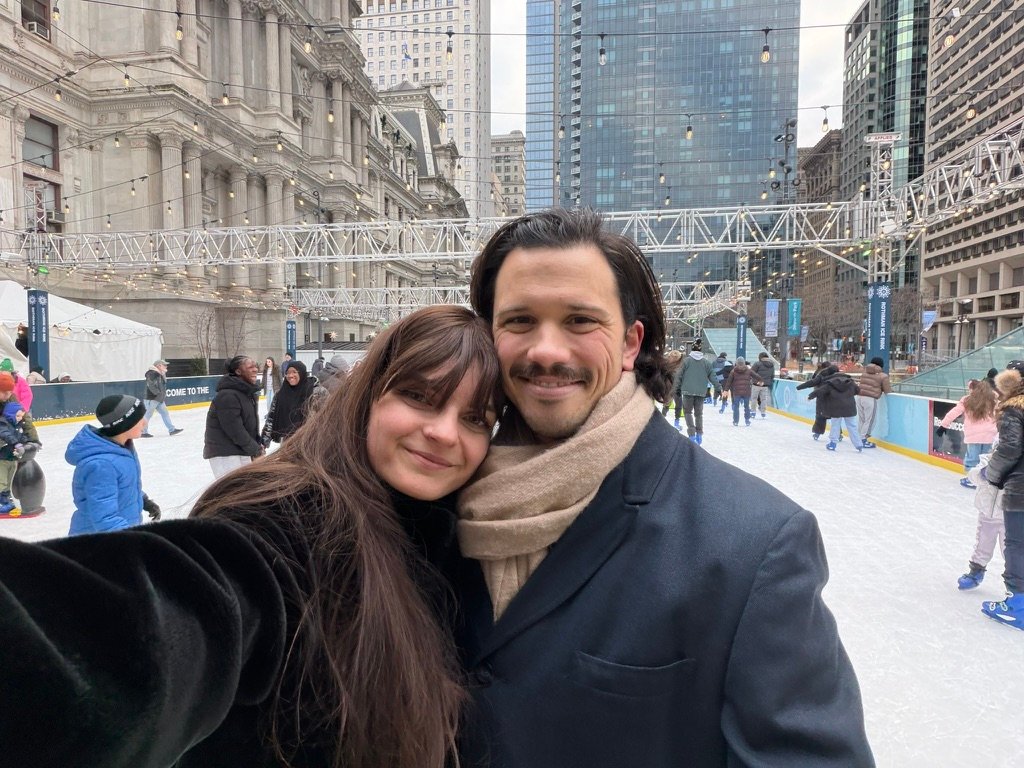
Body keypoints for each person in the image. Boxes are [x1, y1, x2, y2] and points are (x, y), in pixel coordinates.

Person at [456, 208, 872, 766]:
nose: (547, 351)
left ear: (631, 343)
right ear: (489, 336)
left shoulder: (755, 544)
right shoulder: (431, 506)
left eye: (580, 321)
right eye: (519, 321)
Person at [0, 305, 503, 766]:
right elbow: (163, 619)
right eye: (418, 396)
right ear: (369, 396)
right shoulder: (291, 524)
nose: (443, 431)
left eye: (475, 418)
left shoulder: (459, 541)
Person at [65, 394, 161, 534]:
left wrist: (143, 499)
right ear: (124, 424)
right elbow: (105, 518)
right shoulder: (102, 465)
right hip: (97, 545)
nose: (145, 422)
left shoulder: (121, 449)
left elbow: (122, 486)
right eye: (140, 419)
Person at [980, 361, 1024, 630]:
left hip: (1021, 489)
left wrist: (992, 476)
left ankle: (1017, 604)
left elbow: (1009, 448)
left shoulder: (1013, 408)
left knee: (1017, 544)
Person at [203, 355, 264, 478]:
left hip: (240, 450)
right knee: (233, 492)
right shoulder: (228, 396)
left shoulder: (245, 393)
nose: (255, 369)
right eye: (250, 367)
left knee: (245, 491)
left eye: (255, 366)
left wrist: (257, 443)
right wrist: (255, 449)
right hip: (225, 453)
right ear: (238, 371)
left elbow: (248, 425)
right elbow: (235, 429)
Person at [957, 450, 1005, 590]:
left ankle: (1017, 584)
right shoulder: (987, 459)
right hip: (986, 515)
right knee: (982, 545)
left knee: (1010, 551)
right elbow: (972, 475)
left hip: (1009, 517)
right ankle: (976, 571)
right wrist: (983, 473)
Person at [937, 379, 998, 489]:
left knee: (972, 459)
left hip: (974, 437)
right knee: (986, 459)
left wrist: (943, 425)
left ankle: (972, 480)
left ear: (971, 389)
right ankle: (985, 480)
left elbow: (953, 413)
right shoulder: (993, 399)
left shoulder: (967, 400)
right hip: (990, 435)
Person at [261, 360, 322, 445]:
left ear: (301, 373)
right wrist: (265, 438)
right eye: (287, 373)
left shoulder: (316, 392)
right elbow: (271, 416)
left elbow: (328, 415)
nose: (290, 375)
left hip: (311, 441)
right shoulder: (281, 394)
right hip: (287, 442)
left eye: (294, 372)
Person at [671, 339, 718, 443]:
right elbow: (713, 377)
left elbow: (678, 376)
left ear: (692, 349)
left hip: (687, 391)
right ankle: (699, 434)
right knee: (699, 414)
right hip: (701, 392)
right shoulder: (706, 363)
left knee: (688, 412)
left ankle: (691, 434)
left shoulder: (686, 361)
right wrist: (718, 388)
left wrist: (677, 388)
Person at [807, 365, 863, 452]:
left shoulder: (830, 383)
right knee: (852, 426)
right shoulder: (850, 382)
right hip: (850, 407)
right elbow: (858, 390)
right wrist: (848, 397)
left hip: (835, 408)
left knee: (835, 425)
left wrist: (810, 396)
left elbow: (820, 391)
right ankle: (858, 444)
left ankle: (833, 443)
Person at [0, 399, 40, 516]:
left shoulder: (17, 425)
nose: (19, 418)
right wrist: (16, 443)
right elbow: (5, 435)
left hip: (12, 458)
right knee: (1, 480)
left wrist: (31, 443)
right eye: (17, 416)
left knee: (9, 481)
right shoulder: (3, 423)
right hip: (2, 458)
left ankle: (5, 498)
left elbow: (22, 437)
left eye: (21, 416)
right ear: (9, 414)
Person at [140, 359, 183, 437]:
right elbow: (151, 385)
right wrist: (158, 393)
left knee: (165, 413)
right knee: (147, 415)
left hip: (159, 399)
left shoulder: (160, 373)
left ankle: (172, 430)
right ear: (159, 366)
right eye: (164, 365)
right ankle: (143, 432)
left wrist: (160, 395)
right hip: (151, 398)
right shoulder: (152, 373)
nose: (166, 366)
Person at [856, 356, 892, 448]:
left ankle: (860, 437)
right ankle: (863, 440)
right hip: (870, 399)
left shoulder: (864, 372)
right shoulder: (883, 376)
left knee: (862, 419)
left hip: (859, 397)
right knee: (870, 420)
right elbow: (887, 390)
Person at [798, 362, 839, 440]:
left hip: (822, 396)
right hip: (832, 397)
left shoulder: (821, 373)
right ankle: (837, 433)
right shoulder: (836, 376)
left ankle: (818, 432)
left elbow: (813, 382)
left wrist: (800, 387)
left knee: (821, 415)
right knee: (835, 417)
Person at [723, 356, 761, 427]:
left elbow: (729, 382)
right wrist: (760, 381)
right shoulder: (748, 370)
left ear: (736, 363)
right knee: (746, 406)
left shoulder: (733, 371)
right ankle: (747, 420)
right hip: (746, 392)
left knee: (736, 407)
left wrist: (726, 390)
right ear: (744, 362)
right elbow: (757, 376)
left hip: (737, 392)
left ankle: (735, 421)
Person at [750, 351, 775, 418]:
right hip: (765, 385)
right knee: (763, 399)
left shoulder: (757, 364)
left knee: (754, 398)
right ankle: (763, 412)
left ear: (760, 357)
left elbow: (751, 373)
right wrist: (768, 382)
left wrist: (754, 380)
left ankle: (753, 412)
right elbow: (772, 375)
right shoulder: (772, 365)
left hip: (756, 384)